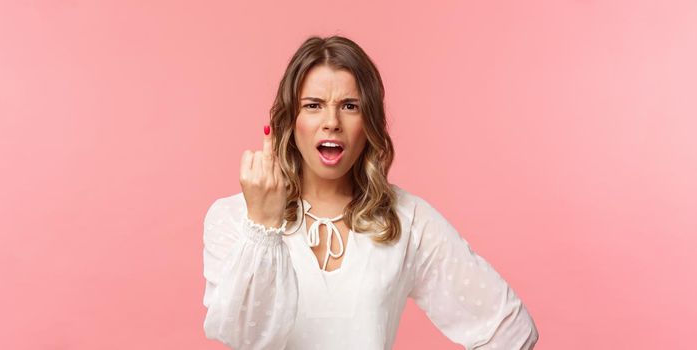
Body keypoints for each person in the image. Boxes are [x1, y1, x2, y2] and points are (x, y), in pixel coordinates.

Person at [202, 35, 539, 350]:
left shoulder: (407, 220)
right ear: (290, 120)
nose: (332, 121)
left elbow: (508, 328)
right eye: (313, 105)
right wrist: (264, 225)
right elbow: (243, 336)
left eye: (350, 106)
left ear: (370, 122)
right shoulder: (231, 218)